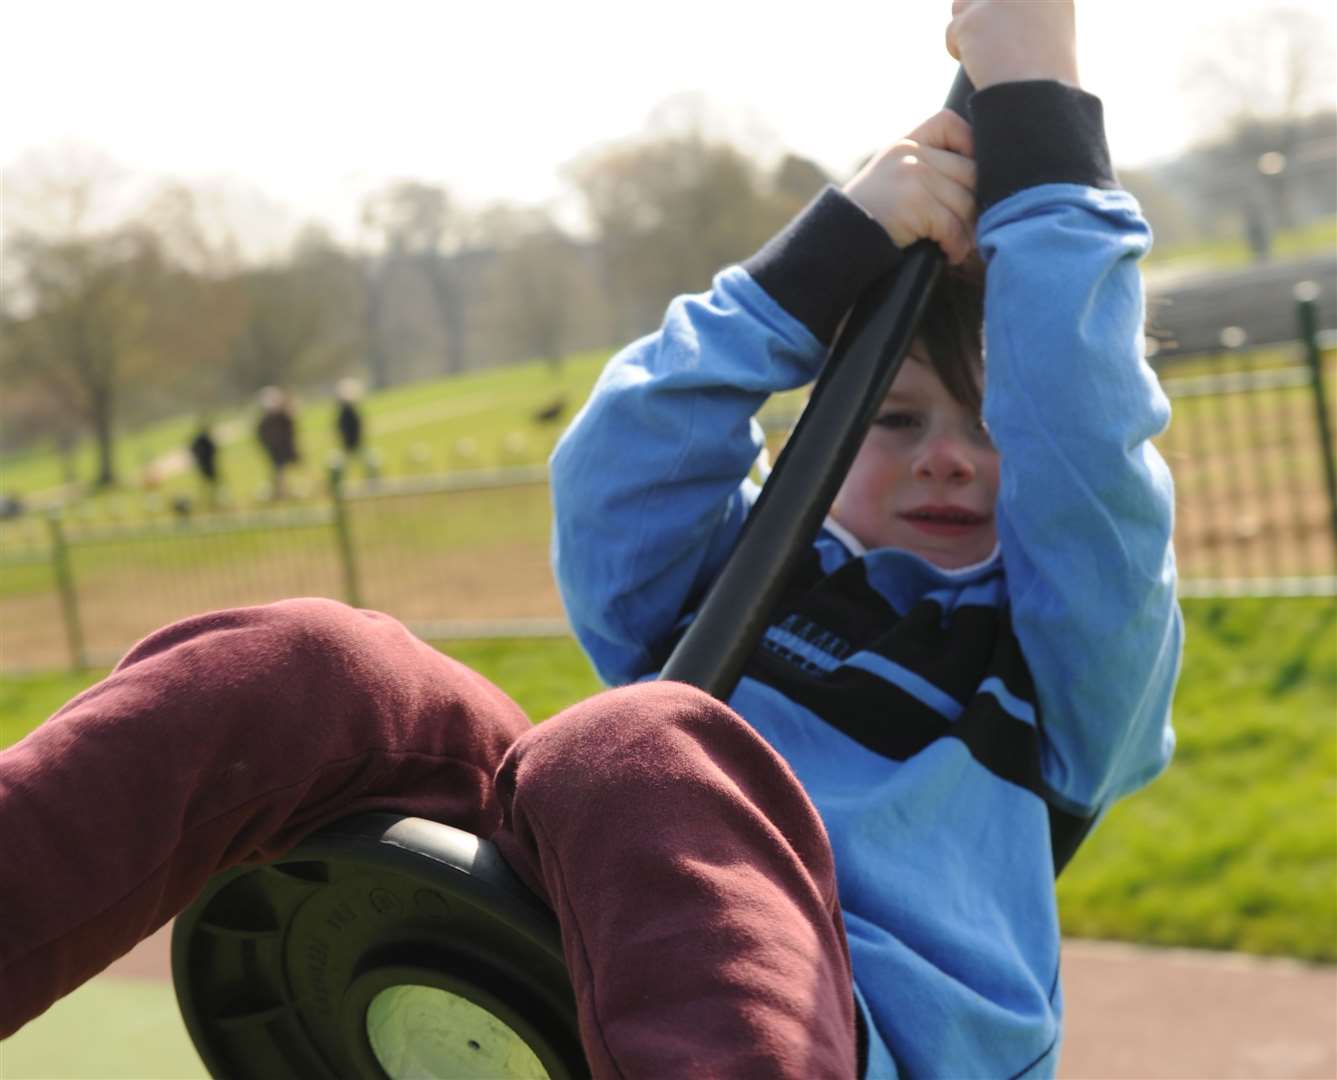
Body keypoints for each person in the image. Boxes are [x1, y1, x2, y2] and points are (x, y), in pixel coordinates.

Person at [0, 4, 1182, 1076]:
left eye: (991, 426)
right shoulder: (752, 571)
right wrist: (827, 259)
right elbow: (617, 471)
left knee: (636, 742)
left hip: (859, 1035)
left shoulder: (1064, 669)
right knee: (305, 667)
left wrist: (1037, 106)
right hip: (594, 925)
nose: (948, 456)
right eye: (894, 416)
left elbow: (1082, 442)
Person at [255, 386, 300, 499]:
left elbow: (290, 427)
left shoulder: (281, 417)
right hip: (275, 450)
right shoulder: (266, 421)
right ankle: (280, 491)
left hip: (282, 449)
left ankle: (283, 490)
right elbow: (262, 435)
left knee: (282, 470)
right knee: (278, 471)